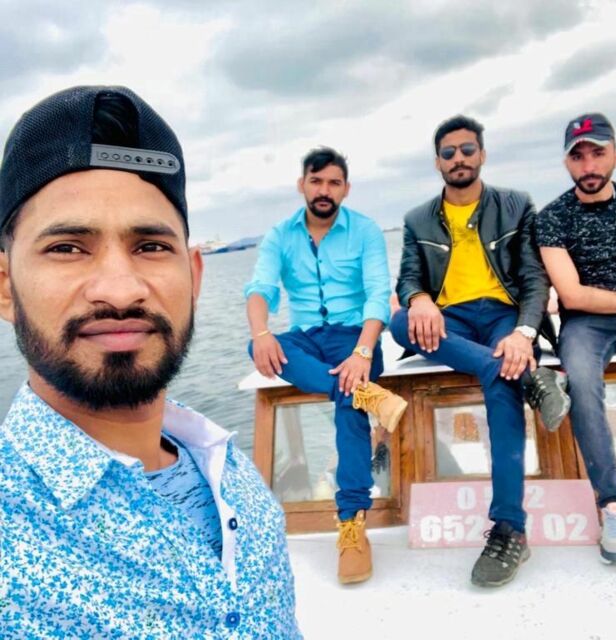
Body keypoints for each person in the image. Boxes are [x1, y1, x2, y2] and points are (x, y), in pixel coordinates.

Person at [0, 86, 301, 638]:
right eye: (67, 247)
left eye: (151, 246)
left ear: (194, 276)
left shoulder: (232, 476)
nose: (120, 290)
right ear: (5, 286)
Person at [390, 115, 571, 587]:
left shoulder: (515, 205)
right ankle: (528, 377)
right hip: (449, 318)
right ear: (437, 162)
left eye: (467, 149)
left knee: (503, 383)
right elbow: (408, 278)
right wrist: (419, 298)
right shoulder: (416, 219)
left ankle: (510, 528)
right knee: (400, 322)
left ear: (482, 154)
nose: (459, 159)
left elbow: (533, 278)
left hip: (501, 315)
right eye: (448, 153)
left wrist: (525, 334)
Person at [245, 147, 407, 585]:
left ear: (345, 189)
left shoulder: (365, 231)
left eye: (334, 183)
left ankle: (352, 523)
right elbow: (260, 289)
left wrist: (363, 352)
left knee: (348, 408)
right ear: (302, 184)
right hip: (307, 337)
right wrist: (261, 333)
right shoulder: (281, 235)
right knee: (258, 346)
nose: (324, 190)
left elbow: (378, 295)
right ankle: (369, 394)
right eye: (316, 181)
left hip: (356, 336)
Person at [536, 112, 616, 565]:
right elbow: (572, 294)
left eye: (598, 153)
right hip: (586, 324)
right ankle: (613, 505)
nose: (589, 165)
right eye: (578, 156)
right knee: (579, 380)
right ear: (567, 163)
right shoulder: (552, 218)